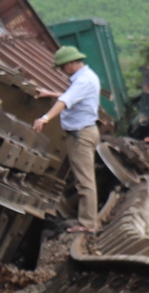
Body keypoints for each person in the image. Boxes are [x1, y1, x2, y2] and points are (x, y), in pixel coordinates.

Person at [34, 43, 102, 231]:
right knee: (84, 178)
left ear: (71, 63)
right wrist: (50, 93)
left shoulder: (82, 80)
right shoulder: (87, 77)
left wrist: (45, 118)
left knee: (84, 180)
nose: (63, 71)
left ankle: (88, 223)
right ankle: (86, 220)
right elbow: (72, 96)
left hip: (81, 135)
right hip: (85, 131)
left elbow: (65, 100)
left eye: (63, 67)